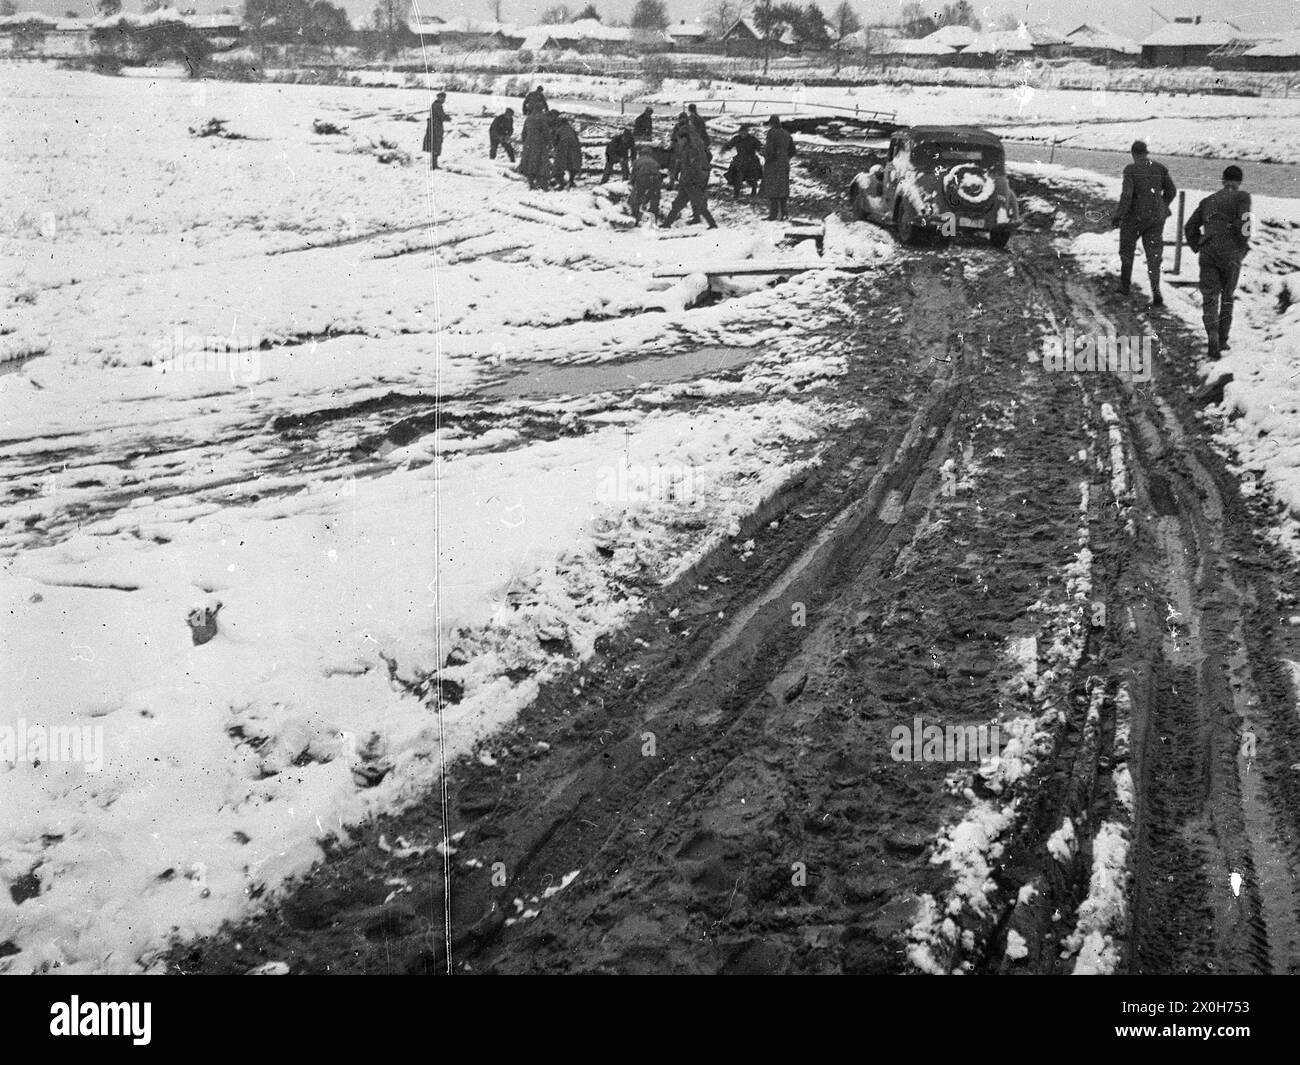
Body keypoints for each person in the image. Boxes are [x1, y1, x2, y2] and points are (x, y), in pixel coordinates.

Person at [1184, 165, 1252, 359]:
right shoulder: (1242, 197)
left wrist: (1198, 245)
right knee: (1228, 296)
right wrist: (1241, 248)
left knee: (1210, 299)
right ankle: (1222, 340)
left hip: (1209, 254)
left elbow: (1190, 226)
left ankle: (1212, 338)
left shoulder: (1208, 200)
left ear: (1222, 180)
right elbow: (1245, 226)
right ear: (1239, 182)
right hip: (1231, 255)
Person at [1112, 139, 1177, 307]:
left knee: (1127, 251)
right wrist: (1161, 206)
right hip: (1156, 219)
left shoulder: (1131, 169)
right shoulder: (1160, 168)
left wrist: (1118, 215)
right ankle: (1156, 291)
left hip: (1134, 218)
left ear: (1133, 153)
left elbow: (1127, 195)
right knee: (1154, 256)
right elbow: (1172, 191)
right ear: (1146, 153)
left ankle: (1125, 286)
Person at [661, 134, 717, 230]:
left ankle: (712, 224)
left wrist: (690, 179)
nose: (678, 142)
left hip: (691, 182)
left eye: (679, 139)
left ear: (685, 139)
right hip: (685, 182)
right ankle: (667, 224)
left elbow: (694, 167)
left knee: (699, 203)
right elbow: (682, 165)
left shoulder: (691, 150)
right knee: (678, 204)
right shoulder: (684, 150)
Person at [761, 114, 796, 221]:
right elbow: (793, 151)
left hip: (774, 164)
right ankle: (784, 214)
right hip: (784, 163)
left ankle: (773, 215)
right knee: (783, 189)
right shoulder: (787, 134)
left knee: (773, 189)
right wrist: (785, 157)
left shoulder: (771, 133)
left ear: (772, 123)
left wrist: (767, 158)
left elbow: (769, 150)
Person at [722, 125, 763, 200]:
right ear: (739, 132)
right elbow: (729, 145)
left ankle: (753, 193)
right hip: (739, 161)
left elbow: (759, 147)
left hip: (751, 161)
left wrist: (762, 151)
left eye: (745, 132)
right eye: (742, 132)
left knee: (752, 178)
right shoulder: (736, 138)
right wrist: (725, 148)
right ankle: (736, 195)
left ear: (747, 132)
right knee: (737, 179)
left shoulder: (752, 139)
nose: (743, 134)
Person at [628, 144, 664, 224]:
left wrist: (633, 185)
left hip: (642, 178)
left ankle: (635, 217)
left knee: (637, 196)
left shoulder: (637, 161)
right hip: (655, 179)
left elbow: (633, 175)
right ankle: (654, 219)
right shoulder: (654, 161)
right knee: (654, 198)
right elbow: (659, 172)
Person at [518, 108, 552, 190]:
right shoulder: (542, 118)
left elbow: (523, 133)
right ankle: (543, 184)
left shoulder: (528, 118)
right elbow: (545, 131)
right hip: (539, 142)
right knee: (542, 162)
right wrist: (549, 142)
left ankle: (531, 183)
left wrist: (525, 143)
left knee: (530, 162)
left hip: (528, 142)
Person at [551, 115, 583, 189]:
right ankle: (571, 181)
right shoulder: (571, 129)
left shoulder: (559, 129)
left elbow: (555, 142)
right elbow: (577, 140)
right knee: (572, 165)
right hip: (573, 149)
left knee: (559, 165)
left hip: (563, 148)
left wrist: (555, 149)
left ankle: (561, 184)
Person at [423, 92, 449, 171]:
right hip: (435, 128)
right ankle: (434, 165)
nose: (444, 100)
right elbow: (441, 116)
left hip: (435, 127)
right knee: (435, 146)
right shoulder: (437, 105)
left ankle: (434, 164)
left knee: (435, 146)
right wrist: (447, 118)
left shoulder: (436, 105)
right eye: (443, 98)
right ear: (439, 98)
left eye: (444, 98)